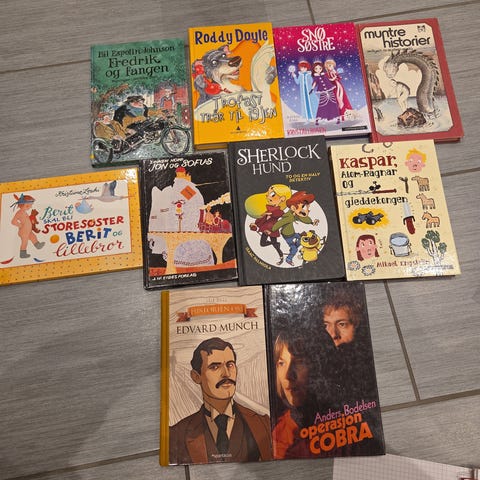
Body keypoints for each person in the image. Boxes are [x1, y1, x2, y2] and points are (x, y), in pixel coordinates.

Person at [169, 337, 272, 464]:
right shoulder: (176, 435)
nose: (226, 373)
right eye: (215, 367)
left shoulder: (263, 424)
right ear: (196, 377)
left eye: (230, 365)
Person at [270, 190, 319, 266]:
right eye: (303, 207)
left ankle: (293, 247)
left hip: (293, 233)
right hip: (287, 236)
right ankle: (289, 259)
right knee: (295, 249)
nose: (306, 211)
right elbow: (280, 223)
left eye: (307, 208)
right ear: (293, 207)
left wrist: (311, 222)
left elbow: (302, 218)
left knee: (302, 239)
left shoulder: (294, 215)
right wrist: (272, 230)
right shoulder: (288, 217)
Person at [250, 184, 292, 265]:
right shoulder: (267, 209)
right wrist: (255, 224)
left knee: (276, 246)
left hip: (273, 228)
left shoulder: (279, 210)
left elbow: (280, 214)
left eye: (272, 195)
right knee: (262, 243)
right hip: (265, 228)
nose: (268, 197)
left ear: (282, 199)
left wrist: (271, 213)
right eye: (268, 194)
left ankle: (281, 257)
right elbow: (261, 218)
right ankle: (276, 244)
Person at [10, 194, 45, 259]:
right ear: (21, 205)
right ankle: (22, 254)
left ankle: (38, 245)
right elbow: (13, 221)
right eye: (27, 206)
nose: (29, 207)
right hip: (23, 232)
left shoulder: (24, 212)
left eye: (30, 206)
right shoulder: (19, 213)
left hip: (28, 231)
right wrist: (20, 225)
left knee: (33, 236)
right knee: (25, 242)